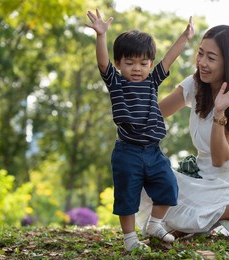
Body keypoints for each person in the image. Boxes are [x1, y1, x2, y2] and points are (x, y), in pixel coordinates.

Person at [136, 24, 229, 239]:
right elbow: (154, 115)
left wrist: (219, 112)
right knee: (145, 177)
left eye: (211, 58)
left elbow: (220, 159)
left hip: (228, 185)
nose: (202, 63)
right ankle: (209, 222)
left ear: (228, 63)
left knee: (177, 215)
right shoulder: (195, 85)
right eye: (200, 54)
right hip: (200, 179)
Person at [85, 9, 195, 251]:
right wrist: (101, 36)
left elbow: (168, 59)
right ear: (118, 64)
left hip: (153, 151)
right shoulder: (117, 82)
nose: (137, 68)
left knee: (169, 185)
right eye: (130, 62)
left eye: (143, 63)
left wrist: (184, 38)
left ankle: (154, 224)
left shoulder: (152, 81)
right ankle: (130, 240)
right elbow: (102, 63)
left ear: (150, 64)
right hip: (127, 152)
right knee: (127, 197)